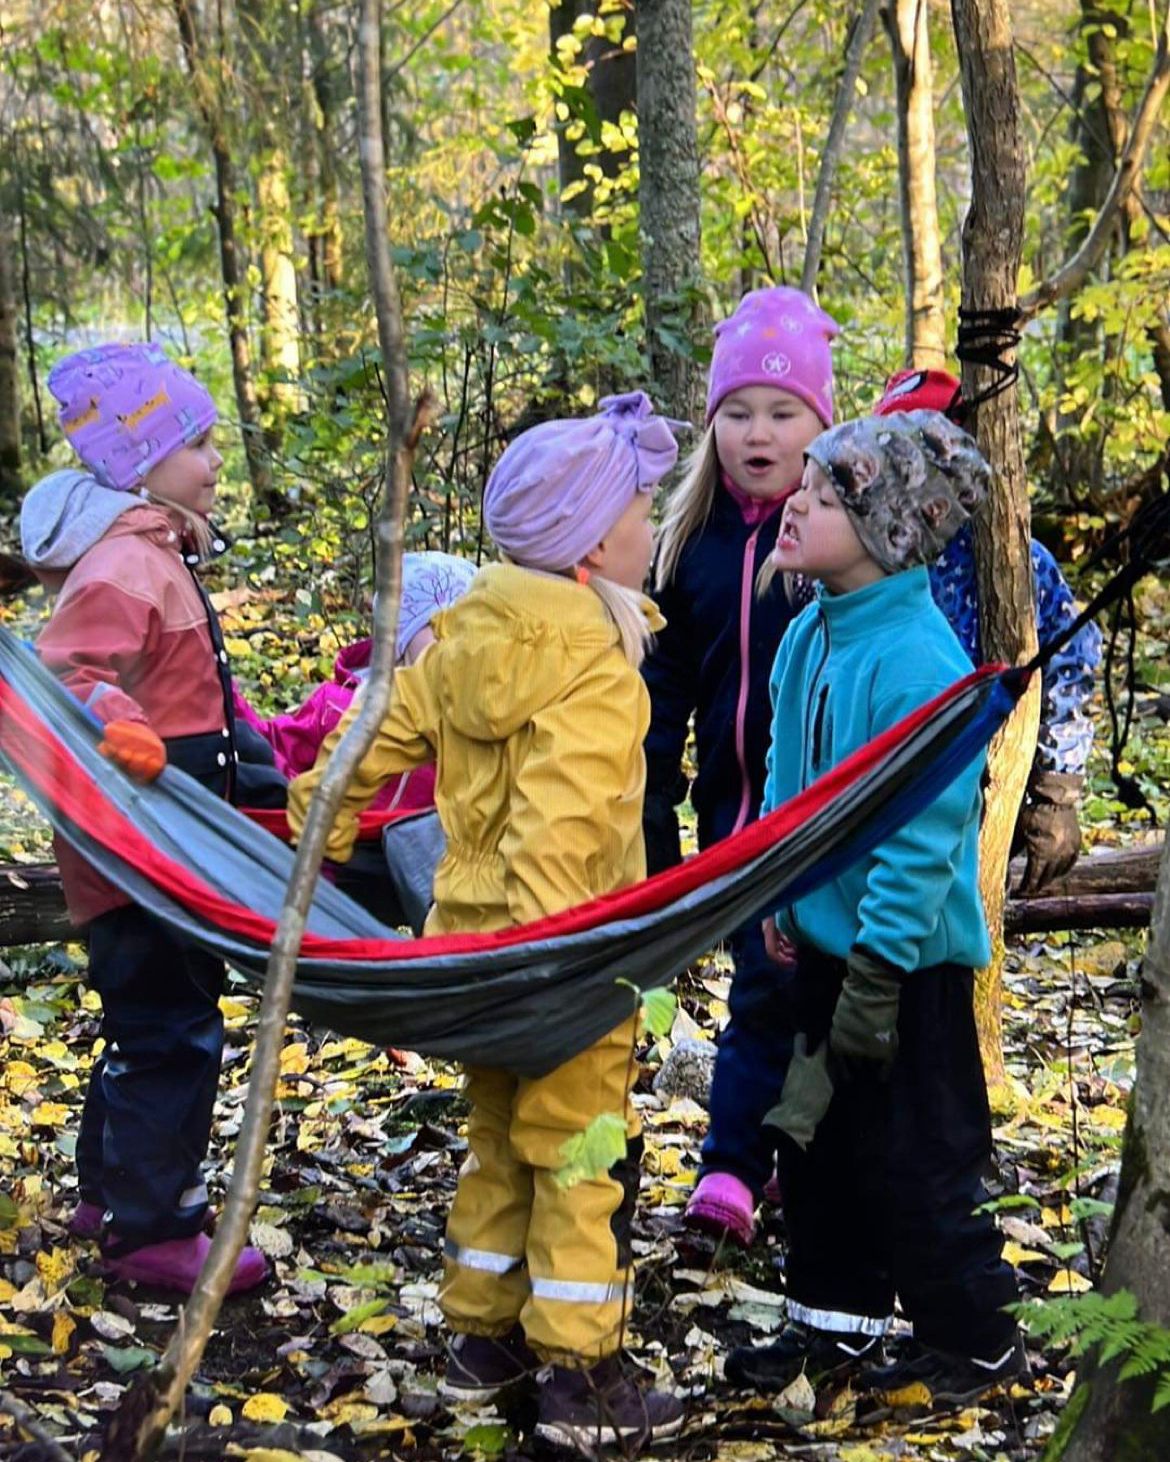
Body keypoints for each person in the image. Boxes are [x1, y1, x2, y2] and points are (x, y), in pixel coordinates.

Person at [288, 393, 685, 1453]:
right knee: (580, 1149)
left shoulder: (466, 633)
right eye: (645, 508)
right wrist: (557, 963)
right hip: (569, 958)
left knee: (499, 1138)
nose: (654, 526)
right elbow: (567, 819)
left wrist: (314, 830)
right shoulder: (594, 662)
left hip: (465, 944)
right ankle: (578, 1372)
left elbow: (379, 726)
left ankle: (479, 1347)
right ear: (598, 538)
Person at [726, 410, 1026, 1408]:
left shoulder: (916, 663)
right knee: (814, 1151)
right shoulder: (810, 631)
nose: (795, 504)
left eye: (824, 494)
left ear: (891, 530)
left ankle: (972, 1334)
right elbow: (784, 779)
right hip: (821, 948)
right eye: (802, 488)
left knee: (916, 1162)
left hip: (907, 971)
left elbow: (925, 832)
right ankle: (833, 1329)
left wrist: (879, 969)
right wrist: (777, 884)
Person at [19, 341, 277, 1293]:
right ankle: (151, 1229)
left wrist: (253, 744)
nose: (215, 463)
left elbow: (190, 678)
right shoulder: (125, 561)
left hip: (169, 847)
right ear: (139, 461)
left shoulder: (155, 550)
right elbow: (68, 674)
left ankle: (108, 1193)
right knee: (172, 1029)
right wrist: (120, 724)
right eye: (199, 444)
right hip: (136, 853)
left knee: (148, 1024)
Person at [642, 286, 840, 1248]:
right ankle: (731, 1167)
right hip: (732, 823)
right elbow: (663, 687)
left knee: (819, 991)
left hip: (826, 819)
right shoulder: (690, 546)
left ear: (821, 423)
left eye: (783, 412)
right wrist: (653, 803)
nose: (757, 433)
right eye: (737, 413)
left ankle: (777, 1163)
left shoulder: (834, 542)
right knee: (758, 987)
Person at [872, 368, 1102, 893]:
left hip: (984, 785)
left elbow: (1070, 665)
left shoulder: (1016, 560)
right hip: (882, 789)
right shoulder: (864, 556)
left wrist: (1055, 794)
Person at [234, 550, 476, 815]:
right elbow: (275, 745)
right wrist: (223, 693)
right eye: (439, 626)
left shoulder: (481, 721)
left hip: (426, 848)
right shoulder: (338, 705)